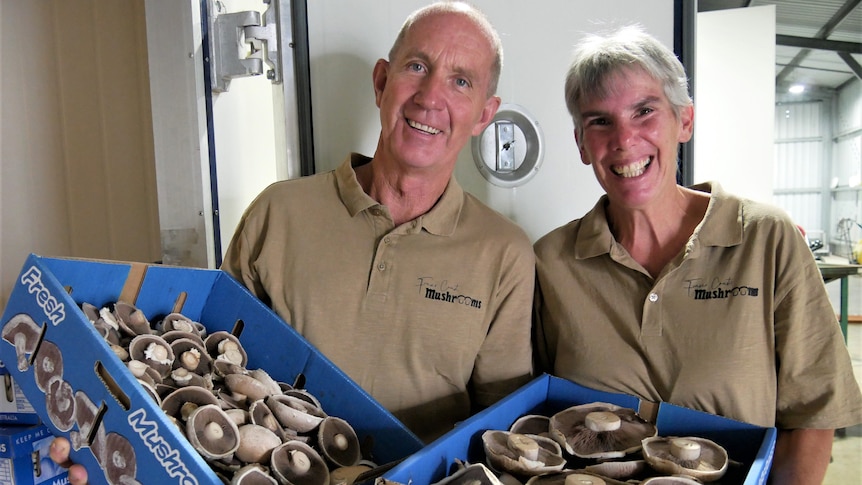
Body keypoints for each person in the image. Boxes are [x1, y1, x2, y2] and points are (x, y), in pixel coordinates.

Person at [51, 2, 534, 483]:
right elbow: (208, 374)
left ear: (483, 115)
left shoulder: (505, 254)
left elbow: (498, 437)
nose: (430, 97)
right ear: (382, 81)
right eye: (417, 66)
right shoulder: (277, 214)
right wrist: (106, 442)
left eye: (461, 81)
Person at [533, 24, 862, 484]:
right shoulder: (551, 262)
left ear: (684, 121)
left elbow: (813, 413)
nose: (624, 140)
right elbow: (536, 412)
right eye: (600, 121)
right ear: (582, 144)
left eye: (644, 111)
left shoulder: (766, 240)